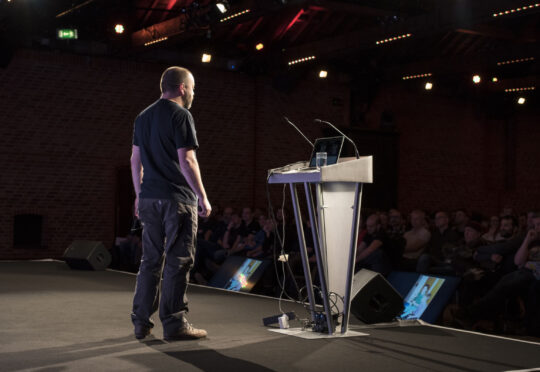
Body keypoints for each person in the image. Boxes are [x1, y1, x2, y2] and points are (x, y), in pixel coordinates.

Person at [130, 66, 211, 341]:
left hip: (150, 199)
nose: (193, 94)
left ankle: (141, 322)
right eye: (193, 88)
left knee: (150, 261)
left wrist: (139, 195)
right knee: (178, 261)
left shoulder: (143, 117)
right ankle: (175, 324)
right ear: (182, 88)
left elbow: (135, 160)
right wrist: (202, 195)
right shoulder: (181, 115)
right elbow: (187, 160)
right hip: (177, 200)